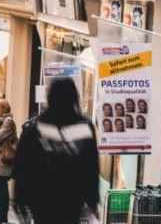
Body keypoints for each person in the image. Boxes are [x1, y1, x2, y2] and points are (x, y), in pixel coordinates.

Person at [13, 77, 99, 223]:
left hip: (41, 195)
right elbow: (91, 166)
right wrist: (92, 200)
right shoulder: (85, 127)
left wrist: (19, 195)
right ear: (74, 97)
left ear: (50, 96)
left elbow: (22, 164)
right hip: (72, 196)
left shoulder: (36, 127)